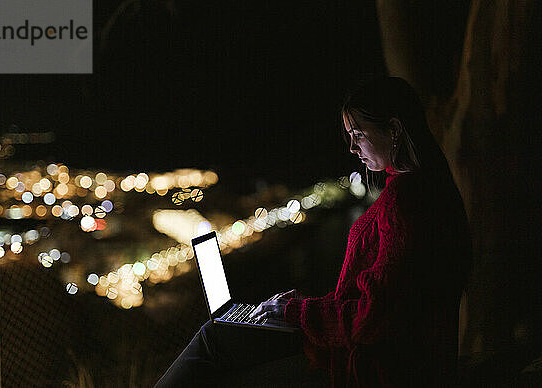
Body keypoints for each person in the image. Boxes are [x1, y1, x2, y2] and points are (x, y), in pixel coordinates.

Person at [155, 76, 472, 387]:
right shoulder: (425, 187)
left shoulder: (405, 203)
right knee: (218, 337)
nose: (351, 147)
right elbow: (383, 301)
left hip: (373, 369)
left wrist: (295, 311)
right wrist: (306, 305)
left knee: (216, 345)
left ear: (394, 129)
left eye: (358, 134)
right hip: (394, 360)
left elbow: (369, 318)